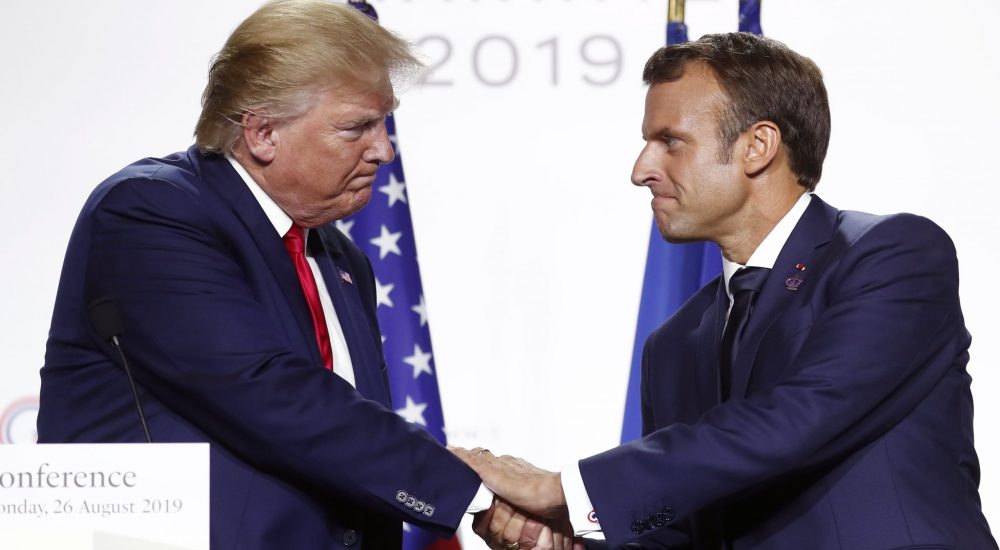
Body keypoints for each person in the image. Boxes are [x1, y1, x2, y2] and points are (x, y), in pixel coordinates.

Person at [454, 32, 998, 550]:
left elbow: (800, 416)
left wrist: (565, 490)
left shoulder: (892, 254)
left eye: (670, 142)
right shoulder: (673, 343)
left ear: (757, 146)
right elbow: (682, 532)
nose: (641, 170)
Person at [37, 2, 491, 548]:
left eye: (384, 124)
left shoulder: (342, 260)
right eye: (358, 127)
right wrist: (479, 493)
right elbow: (267, 391)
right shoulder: (150, 211)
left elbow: (348, 444)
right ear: (263, 133)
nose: (384, 151)